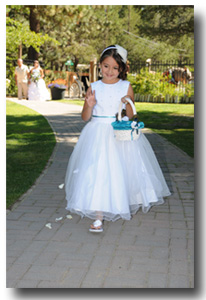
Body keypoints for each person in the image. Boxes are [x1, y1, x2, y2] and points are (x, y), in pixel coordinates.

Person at [65, 45, 171, 233]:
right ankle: (98, 216)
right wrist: (89, 105)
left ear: (121, 69)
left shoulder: (125, 86)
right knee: (97, 172)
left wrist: (126, 102)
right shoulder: (94, 87)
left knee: (120, 169)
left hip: (118, 134)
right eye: (106, 66)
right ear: (100, 65)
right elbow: (84, 117)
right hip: (96, 133)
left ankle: (120, 201)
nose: (110, 71)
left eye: (115, 68)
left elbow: (130, 115)